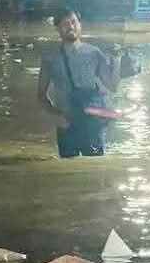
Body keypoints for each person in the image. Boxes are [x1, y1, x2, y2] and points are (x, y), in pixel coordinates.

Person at [37, 8, 122, 158]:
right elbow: (41, 96)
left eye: (74, 22)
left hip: (92, 123)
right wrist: (56, 116)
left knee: (94, 166)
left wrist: (117, 62)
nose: (71, 27)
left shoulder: (94, 53)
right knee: (68, 167)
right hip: (66, 122)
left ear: (80, 25)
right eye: (65, 24)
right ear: (57, 28)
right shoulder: (50, 58)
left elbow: (112, 86)